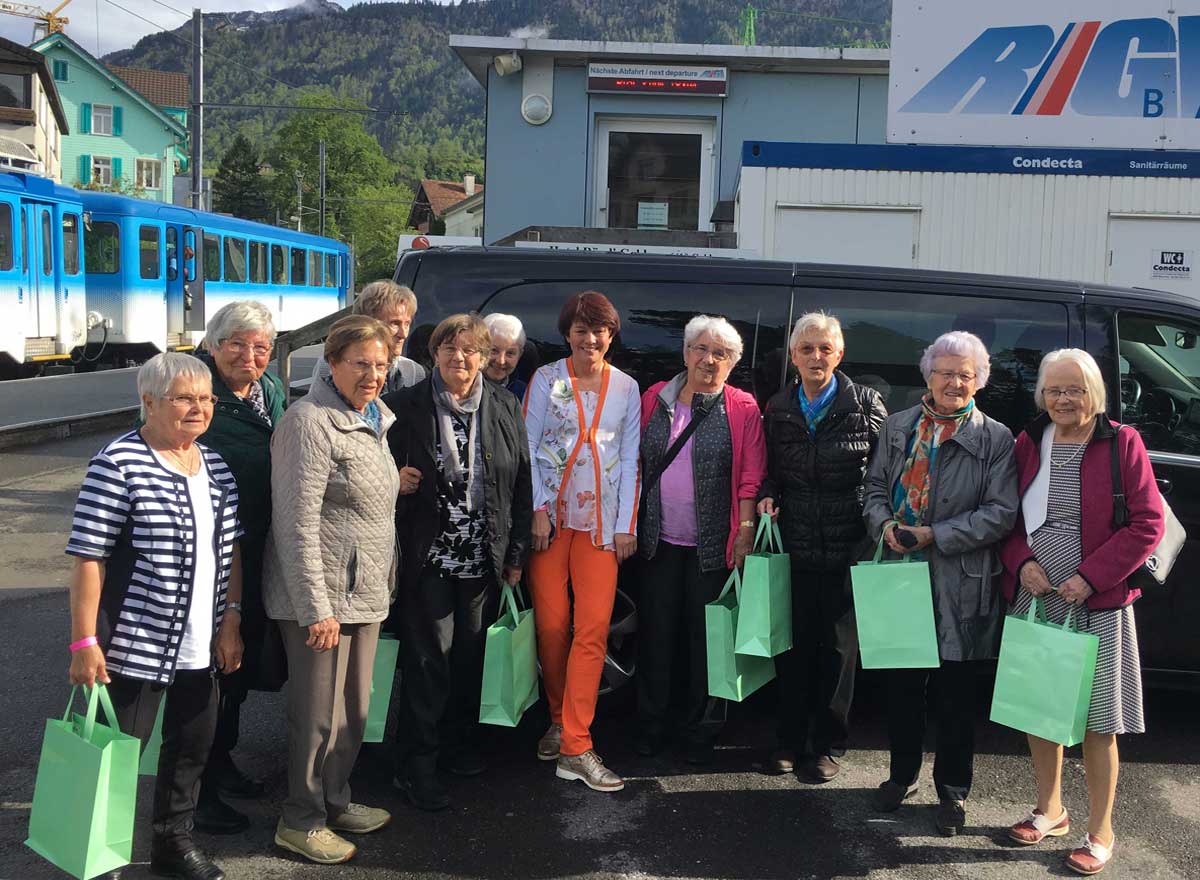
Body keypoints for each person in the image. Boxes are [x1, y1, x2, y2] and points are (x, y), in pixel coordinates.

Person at [66, 352, 243, 880]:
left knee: (191, 749)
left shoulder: (215, 466)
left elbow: (232, 550)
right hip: (133, 640)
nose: (198, 409)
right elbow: (89, 554)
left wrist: (231, 620)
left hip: (201, 640)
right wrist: (83, 642)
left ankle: (173, 844)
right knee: (116, 754)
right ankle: (98, 856)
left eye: (206, 398)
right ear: (148, 402)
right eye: (184, 398)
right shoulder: (117, 462)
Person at [999, 349, 1163, 876]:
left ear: (1095, 392)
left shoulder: (1122, 442)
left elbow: (1147, 524)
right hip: (1038, 594)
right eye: (1053, 390)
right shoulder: (1030, 441)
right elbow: (1008, 517)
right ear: (1041, 396)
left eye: (1074, 389)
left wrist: (1090, 577)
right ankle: (1050, 809)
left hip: (1098, 597)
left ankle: (1102, 830)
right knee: (1038, 708)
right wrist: (1021, 561)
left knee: (1098, 722)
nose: (1063, 400)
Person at [861, 330, 1018, 836]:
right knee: (902, 686)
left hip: (960, 578)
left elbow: (1000, 514)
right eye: (945, 372)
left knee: (956, 695)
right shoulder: (899, 426)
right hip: (899, 572)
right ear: (928, 374)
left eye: (964, 375)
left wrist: (935, 534)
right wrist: (884, 526)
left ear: (979, 382)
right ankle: (901, 775)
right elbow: (872, 488)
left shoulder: (995, 438)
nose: (954, 382)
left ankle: (952, 793)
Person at [263, 315, 400, 865]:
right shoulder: (309, 421)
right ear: (332, 363)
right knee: (316, 713)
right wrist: (313, 607)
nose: (372, 374)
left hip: (363, 590)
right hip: (319, 598)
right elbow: (294, 522)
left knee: (354, 711)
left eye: (381, 365)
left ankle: (336, 799)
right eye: (360, 363)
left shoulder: (371, 417)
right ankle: (301, 818)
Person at [383, 314, 533, 810]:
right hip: (428, 557)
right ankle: (415, 767)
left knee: (469, 658)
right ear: (435, 355)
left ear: (486, 357)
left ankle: (454, 746)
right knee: (428, 663)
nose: (460, 359)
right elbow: (374, 473)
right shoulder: (403, 407)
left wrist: (515, 555)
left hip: (482, 557)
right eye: (449, 349)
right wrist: (392, 479)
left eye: (471, 350)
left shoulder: (506, 405)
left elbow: (521, 484)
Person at [756, 312, 887, 782]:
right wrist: (769, 490)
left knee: (838, 652)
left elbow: (883, 477)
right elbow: (769, 467)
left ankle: (828, 745)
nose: (816, 356)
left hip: (848, 546)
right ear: (793, 356)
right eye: (807, 349)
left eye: (824, 349)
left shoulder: (867, 405)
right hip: (794, 544)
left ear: (839, 354)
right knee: (791, 648)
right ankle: (788, 741)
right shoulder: (778, 407)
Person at [523, 290, 641, 792]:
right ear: (566, 333)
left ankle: (576, 743)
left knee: (592, 630)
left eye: (599, 331)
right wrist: (536, 510)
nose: (590, 340)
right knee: (552, 630)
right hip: (551, 524)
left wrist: (624, 525)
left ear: (611, 335)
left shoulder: (627, 387)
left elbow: (632, 456)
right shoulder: (547, 379)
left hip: (599, 527)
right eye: (580, 330)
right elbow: (528, 445)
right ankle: (557, 716)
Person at [635, 314, 766, 764]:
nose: (709, 360)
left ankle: (700, 730)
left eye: (721, 354)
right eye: (701, 349)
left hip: (713, 545)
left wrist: (744, 532)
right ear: (685, 352)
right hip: (657, 541)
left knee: (705, 641)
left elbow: (750, 478)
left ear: (733, 363)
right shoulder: (655, 397)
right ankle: (651, 726)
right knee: (656, 637)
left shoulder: (743, 407)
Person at [192, 301, 287, 834]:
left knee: (238, 667)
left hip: (256, 543)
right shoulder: (194, 386)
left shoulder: (269, 389)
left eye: (261, 347)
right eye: (237, 344)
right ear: (213, 344)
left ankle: (219, 760)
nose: (250, 356)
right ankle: (196, 790)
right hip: (207, 549)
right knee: (205, 671)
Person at [312, 280, 426, 394]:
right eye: (394, 323)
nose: (404, 334)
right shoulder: (332, 365)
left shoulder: (413, 371)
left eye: (407, 324)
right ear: (367, 323)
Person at [482, 312, 528, 400]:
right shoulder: (464, 388)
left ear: (520, 355)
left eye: (510, 353)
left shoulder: (524, 393)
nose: (501, 361)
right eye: (494, 350)